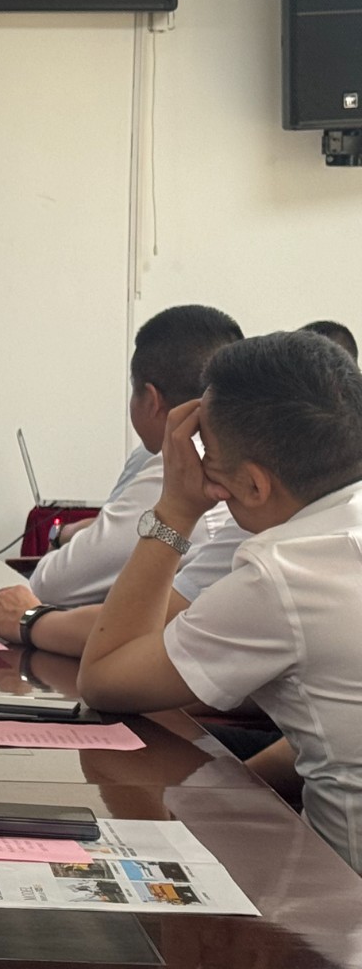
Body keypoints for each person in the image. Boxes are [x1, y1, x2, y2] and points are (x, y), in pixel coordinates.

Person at [79, 331, 362, 872]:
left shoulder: (286, 572)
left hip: (340, 898)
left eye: (207, 459)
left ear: (253, 486)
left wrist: (174, 509)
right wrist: (231, 790)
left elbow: (105, 679)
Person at [24, 305, 243, 609]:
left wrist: (61, 535)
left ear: (152, 399)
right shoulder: (234, 456)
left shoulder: (181, 466)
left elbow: (50, 586)